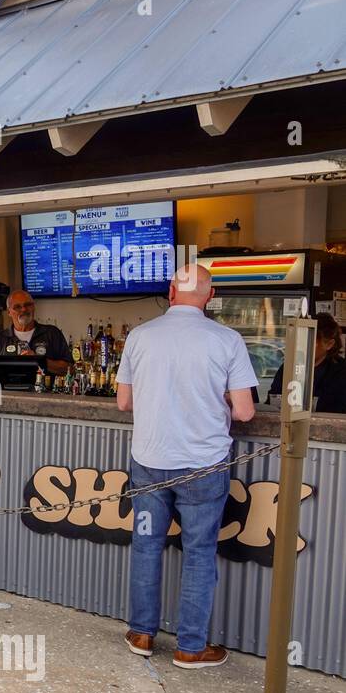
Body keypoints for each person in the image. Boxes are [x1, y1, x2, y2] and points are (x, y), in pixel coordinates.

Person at [117, 263, 257, 669]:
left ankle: (142, 633)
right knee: (198, 553)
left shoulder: (140, 337)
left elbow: (124, 403)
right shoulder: (227, 339)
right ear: (209, 297)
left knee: (146, 546)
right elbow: (246, 411)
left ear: (171, 292)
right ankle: (191, 647)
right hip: (203, 467)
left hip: (148, 462)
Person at [0, 290, 72, 382]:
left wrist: (38, 361)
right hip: (8, 395)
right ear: (9, 312)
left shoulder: (52, 333)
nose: (24, 309)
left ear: (34, 307)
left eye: (28, 305)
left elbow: (69, 369)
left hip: (45, 395)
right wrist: (9, 367)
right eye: (17, 307)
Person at [266, 312, 346, 414]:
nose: (302, 345)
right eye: (300, 339)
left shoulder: (341, 372)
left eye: (311, 341)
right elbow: (272, 401)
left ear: (329, 344)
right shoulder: (289, 366)